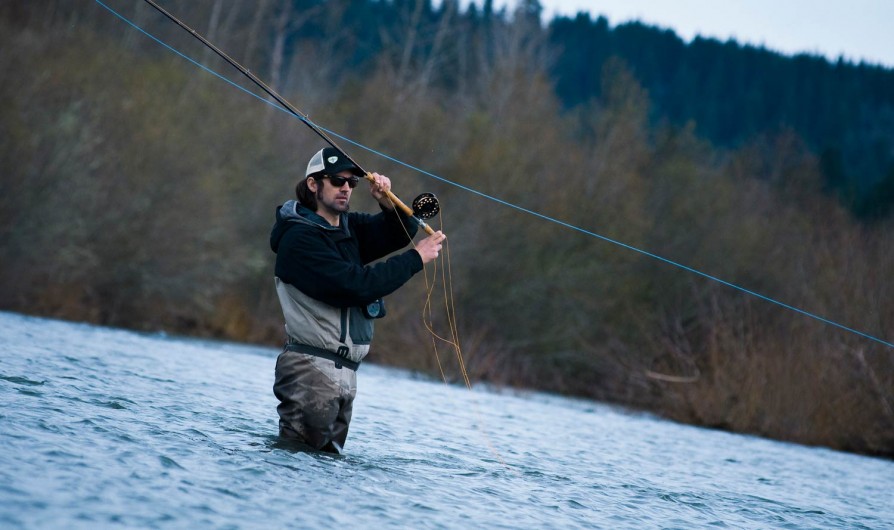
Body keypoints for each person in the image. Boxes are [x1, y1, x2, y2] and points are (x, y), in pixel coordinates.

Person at [270, 146, 446, 454]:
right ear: (314, 184)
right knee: (297, 462)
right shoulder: (300, 239)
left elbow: (392, 235)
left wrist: (387, 204)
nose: (346, 188)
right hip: (311, 369)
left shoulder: (347, 228)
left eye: (352, 183)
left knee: (325, 469)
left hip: (345, 374)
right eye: (337, 181)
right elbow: (355, 286)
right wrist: (417, 258)